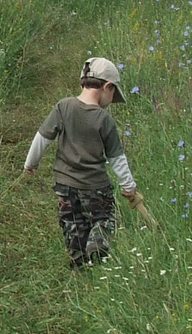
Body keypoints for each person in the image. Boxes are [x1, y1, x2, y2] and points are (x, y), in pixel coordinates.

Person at [24, 57, 147, 266]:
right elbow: (116, 157)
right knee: (104, 219)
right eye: (113, 94)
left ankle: (78, 260)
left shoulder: (63, 107)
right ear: (107, 87)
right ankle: (97, 247)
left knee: (72, 222)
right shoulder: (104, 119)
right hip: (95, 186)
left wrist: (31, 163)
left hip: (65, 185)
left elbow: (42, 138)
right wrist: (128, 186)